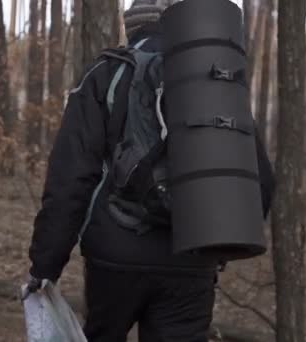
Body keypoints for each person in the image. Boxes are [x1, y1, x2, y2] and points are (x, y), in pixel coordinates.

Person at [25, 0, 276, 341]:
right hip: (192, 258)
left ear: (132, 27)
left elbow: (71, 179)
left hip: (115, 256)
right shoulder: (213, 79)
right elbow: (258, 179)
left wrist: (45, 266)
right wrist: (218, 242)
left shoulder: (106, 72)